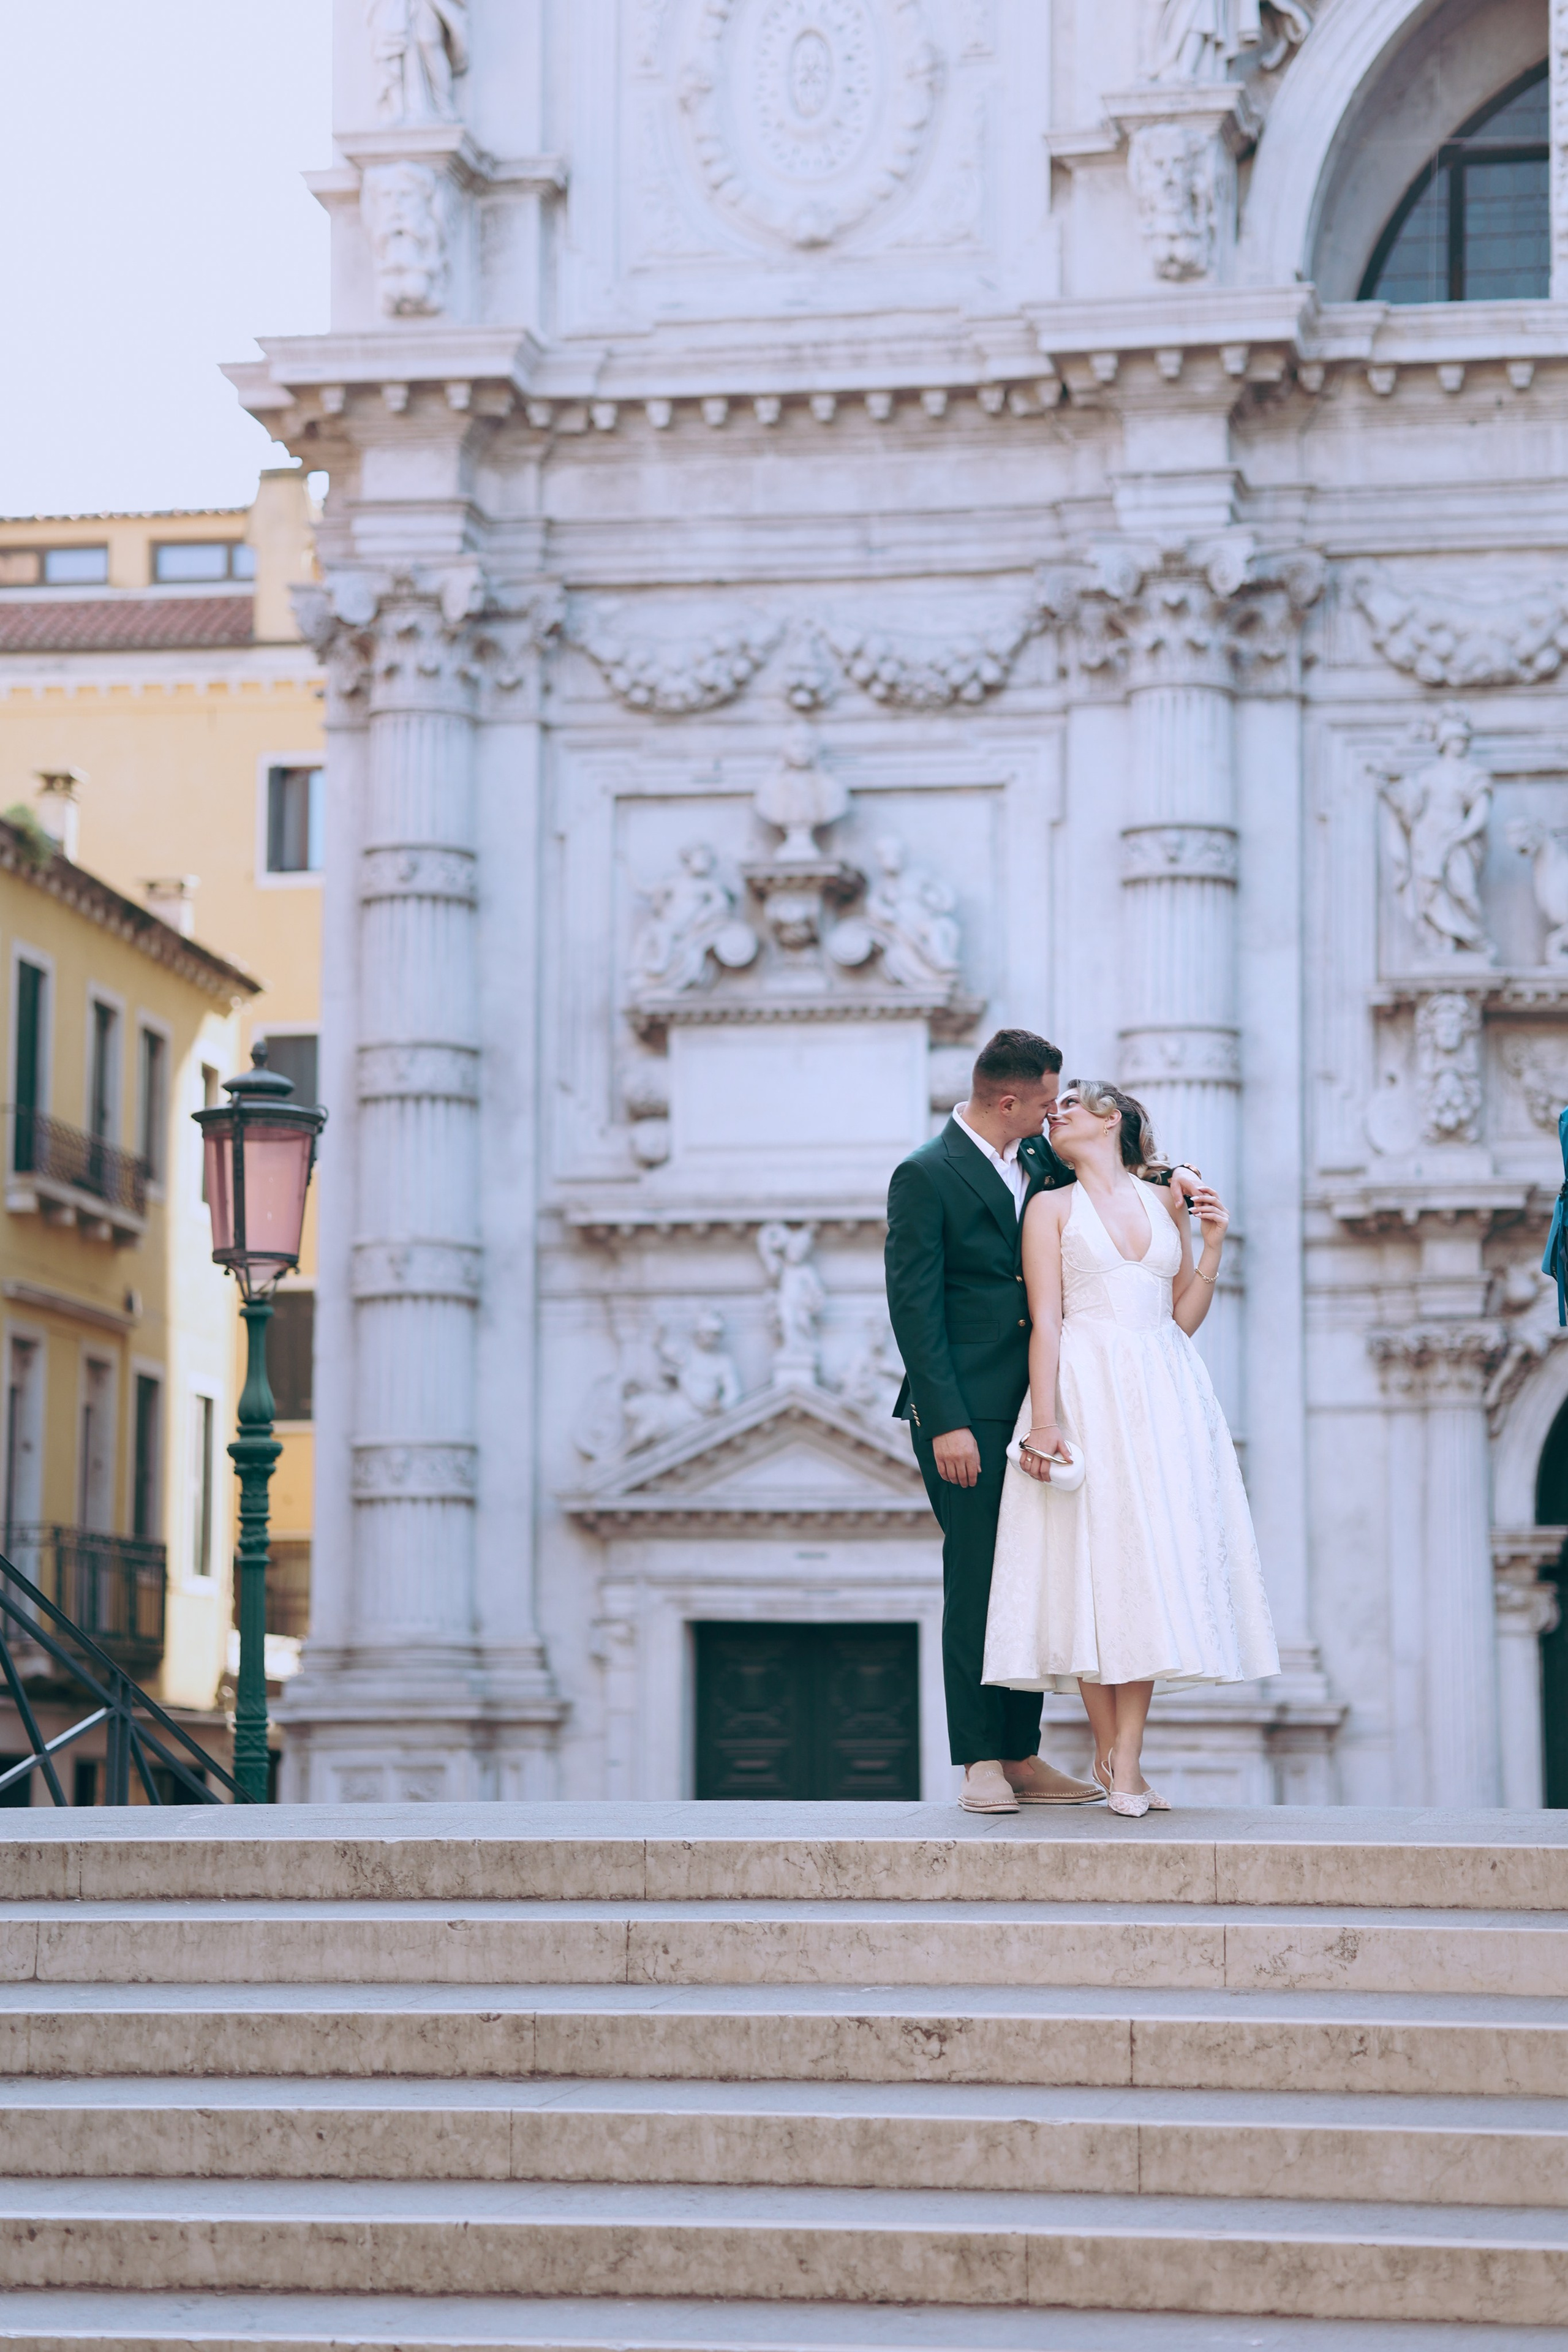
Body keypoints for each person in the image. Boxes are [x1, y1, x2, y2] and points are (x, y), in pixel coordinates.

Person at [981, 1080, 1279, 1817]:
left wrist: (1212, 1246)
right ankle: (1118, 1760)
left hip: (1165, 1396)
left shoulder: (1165, 1200)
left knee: (1145, 1566)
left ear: (1111, 1119)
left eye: (1069, 1105)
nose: (1055, 1113)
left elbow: (1180, 1320)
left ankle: (1127, 1761)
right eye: (1053, 1107)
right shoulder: (1049, 1208)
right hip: (1084, 1390)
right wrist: (1043, 1423)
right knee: (1092, 1567)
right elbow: (1046, 1322)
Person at [884, 1030, 1105, 1813]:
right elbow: (913, 1306)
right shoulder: (923, 1173)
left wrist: (1171, 1178)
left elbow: (1110, 1170)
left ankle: (1021, 1752)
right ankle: (979, 1759)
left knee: (1033, 1577)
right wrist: (945, 1421)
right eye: (1045, 1103)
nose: (1055, 1115)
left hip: (1040, 1403)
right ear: (1006, 1101)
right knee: (978, 1580)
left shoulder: (1041, 1158)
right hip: (964, 1412)